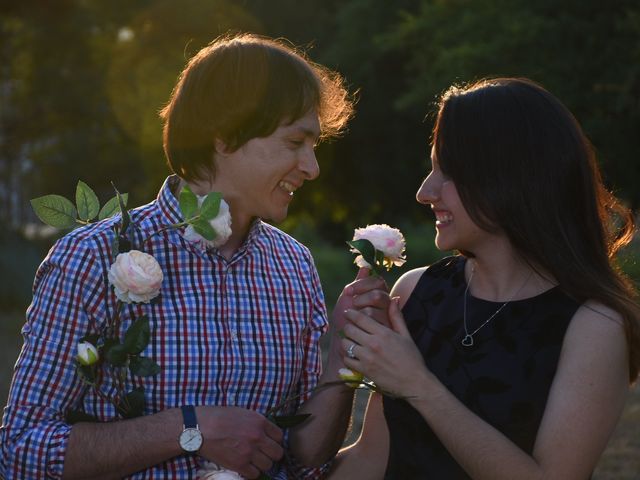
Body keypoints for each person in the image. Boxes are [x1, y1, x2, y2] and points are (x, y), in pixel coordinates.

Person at [0, 33, 388, 479]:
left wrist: (342, 357)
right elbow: (21, 451)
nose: (312, 167)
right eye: (294, 143)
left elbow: (300, 461)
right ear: (224, 134)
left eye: (314, 146)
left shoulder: (295, 267)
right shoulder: (92, 257)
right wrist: (189, 427)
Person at [330, 77, 640, 479]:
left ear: (510, 177)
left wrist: (418, 385)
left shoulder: (594, 326)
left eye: (448, 171)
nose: (425, 192)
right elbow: (369, 459)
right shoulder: (416, 292)